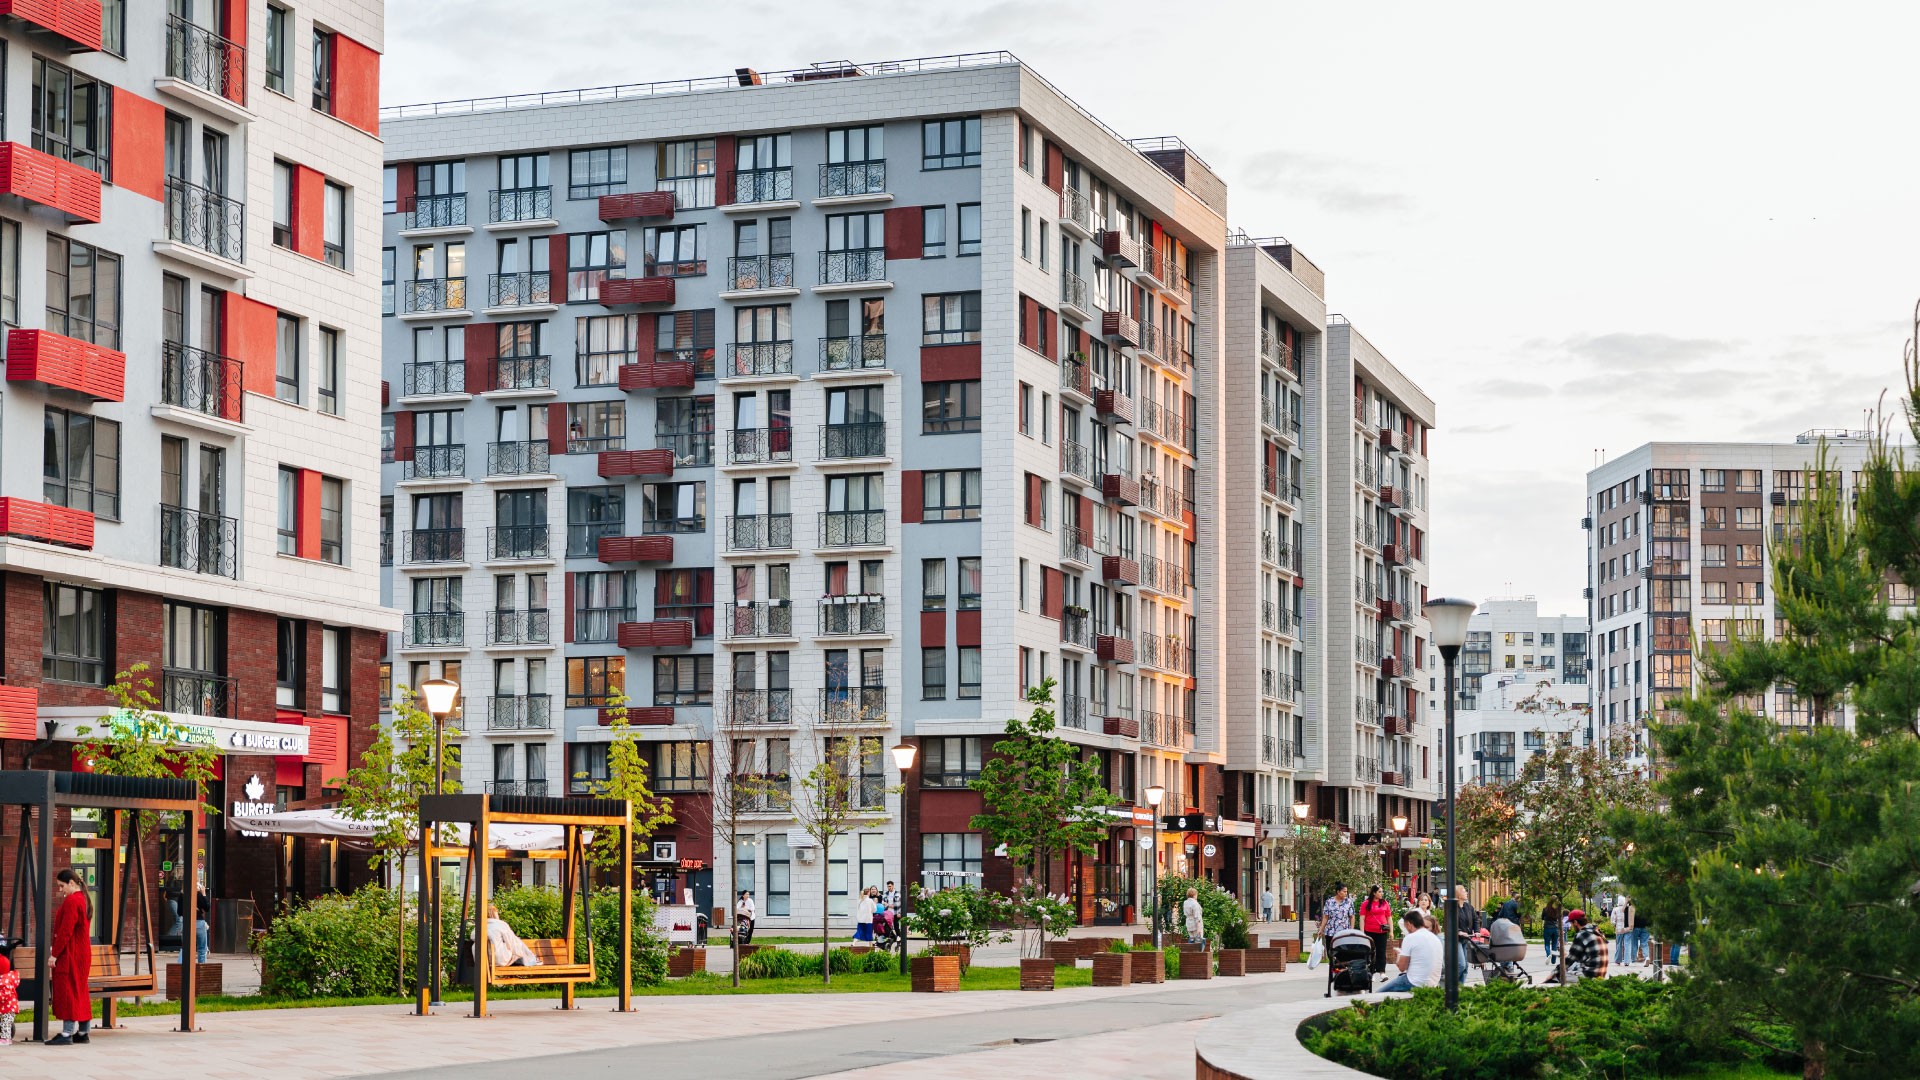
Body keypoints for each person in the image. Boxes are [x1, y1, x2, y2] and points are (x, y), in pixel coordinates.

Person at [47, 868, 92, 1045]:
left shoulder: (72, 901)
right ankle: (83, 1032)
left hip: (71, 954)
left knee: (69, 992)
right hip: (82, 953)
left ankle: (67, 1034)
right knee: (80, 991)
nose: (60, 890)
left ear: (71, 883)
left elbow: (65, 931)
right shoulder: (84, 899)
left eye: (61, 886)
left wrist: (54, 955)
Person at [1379, 910, 1442, 992]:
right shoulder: (1434, 938)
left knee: (1378, 994)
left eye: (1405, 926)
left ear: (1409, 924)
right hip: (1433, 983)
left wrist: (1399, 955)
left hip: (1415, 982)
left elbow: (1402, 968)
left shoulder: (1410, 937)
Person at [483, 904, 542, 968]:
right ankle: (532, 959)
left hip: (484, 960)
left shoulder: (480, 926)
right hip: (500, 960)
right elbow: (512, 942)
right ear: (495, 914)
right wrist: (519, 953)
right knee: (517, 942)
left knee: (515, 946)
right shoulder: (500, 925)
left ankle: (530, 958)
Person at [1564, 908, 1608, 983]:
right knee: (1570, 968)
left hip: (1589, 975)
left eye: (1571, 923)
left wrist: (1555, 972)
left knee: (1559, 976)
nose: (1571, 926)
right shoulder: (1596, 931)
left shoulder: (1582, 934)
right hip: (1601, 973)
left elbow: (1570, 959)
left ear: (1575, 922)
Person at [1359, 885, 1393, 975]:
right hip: (1369, 931)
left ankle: (1382, 971)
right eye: (1379, 892)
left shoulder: (1384, 903)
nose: (1382, 893)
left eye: (1382, 891)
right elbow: (1362, 918)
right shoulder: (1366, 903)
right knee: (1370, 952)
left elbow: (1389, 917)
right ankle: (1371, 972)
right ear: (1374, 893)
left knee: (1381, 952)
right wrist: (1362, 933)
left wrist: (1391, 931)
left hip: (1382, 932)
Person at [1451, 887, 1481, 986]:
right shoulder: (1452, 908)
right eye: (1464, 891)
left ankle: (1460, 986)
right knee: (1461, 964)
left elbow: (1476, 919)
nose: (1466, 893)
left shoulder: (1468, 907)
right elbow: (1450, 922)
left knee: (1466, 966)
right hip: (1456, 940)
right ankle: (1450, 983)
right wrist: (1459, 932)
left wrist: (1477, 931)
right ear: (1458, 894)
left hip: (1466, 938)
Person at [180, 886, 210, 967]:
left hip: (186, 922)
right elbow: (207, 908)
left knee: (186, 949)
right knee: (202, 949)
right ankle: (201, 969)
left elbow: (179, 912)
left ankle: (186, 969)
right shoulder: (198, 894)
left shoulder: (182, 895)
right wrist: (204, 893)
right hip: (199, 922)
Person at [0, 952, 17, 1046]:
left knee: (5, 1023)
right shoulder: (6, 978)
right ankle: (6, 1038)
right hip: (6, 1007)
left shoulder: (4, 981)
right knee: (5, 1023)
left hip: (8, 1008)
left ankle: (5, 1039)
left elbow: (4, 994)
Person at [1610, 895, 1631, 965]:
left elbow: (1612, 921)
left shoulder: (1615, 909)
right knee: (1627, 944)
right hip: (1627, 929)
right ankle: (1627, 961)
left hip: (1619, 929)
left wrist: (1615, 925)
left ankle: (1618, 960)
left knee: (1619, 944)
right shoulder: (1628, 908)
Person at [1541, 899, 1563, 964]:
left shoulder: (1545, 909)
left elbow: (1542, 917)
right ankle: (1553, 961)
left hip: (1547, 927)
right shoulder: (1557, 909)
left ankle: (1548, 954)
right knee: (1554, 944)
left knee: (1547, 943)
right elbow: (1560, 918)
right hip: (1555, 928)